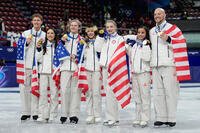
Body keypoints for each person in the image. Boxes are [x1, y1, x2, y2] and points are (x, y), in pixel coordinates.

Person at [150, 8, 190, 127]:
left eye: (159, 14)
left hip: (169, 65)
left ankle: (171, 118)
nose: (157, 16)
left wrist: (169, 39)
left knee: (170, 92)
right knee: (158, 93)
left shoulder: (173, 28)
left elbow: (183, 43)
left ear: (165, 15)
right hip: (156, 65)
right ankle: (161, 118)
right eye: (155, 14)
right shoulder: (152, 30)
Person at [95, 20, 125, 126]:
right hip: (104, 68)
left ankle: (113, 117)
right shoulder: (104, 39)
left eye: (111, 26)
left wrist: (115, 66)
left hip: (114, 69)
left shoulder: (119, 39)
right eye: (107, 27)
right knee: (108, 94)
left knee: (112, 93)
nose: (109, 29)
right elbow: (97, 48)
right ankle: (111, 117)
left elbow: (120, 54)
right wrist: (99, 36)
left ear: (116, 27)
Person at [20, 13, 46, 121]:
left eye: (38, 20)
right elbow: (20, 50)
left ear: (41, 22)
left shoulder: (44, 35)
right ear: (32, 22)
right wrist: (26, 43)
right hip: (26, 66)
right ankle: (26, 112)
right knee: (24, 90)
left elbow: (46, 51)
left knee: (36, 89)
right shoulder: (25, 33)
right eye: (34, 20)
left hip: (38, 67)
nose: (36, 22)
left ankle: (35, 112)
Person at [124, 26, 151, 127]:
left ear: (146, 34)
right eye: (138, 32)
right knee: (137, 98)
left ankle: (145, 118)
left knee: (145, 97)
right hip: (134, 74)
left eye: (142, 32)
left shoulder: (148, 44)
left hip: (144, 74)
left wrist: (145, 45)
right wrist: (128, 44)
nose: (140, 34)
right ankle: (138, 117)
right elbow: (125, 48)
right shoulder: (134, 46)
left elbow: (147, 58)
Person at [59, 19, 83, 124]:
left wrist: (76, 57)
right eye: (72, 25)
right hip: (64, 67)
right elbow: (58, 52)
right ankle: (64, 114)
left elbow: (83, 54)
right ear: (69, 27)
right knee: (64, 91)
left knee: (76, 92)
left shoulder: (82, 39)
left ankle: (74, 115)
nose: (73, 27)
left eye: (75, 25)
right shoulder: (64, 38)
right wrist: (62, 42)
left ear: (79, 27)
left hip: (76, 68)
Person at [36, 28, 59, 123]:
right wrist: (38, 49)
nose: (50, 34)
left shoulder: (58, 45)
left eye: (52, 33)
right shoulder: (43, 45)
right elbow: (38, 59)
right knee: (43, 95)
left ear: (54, 34)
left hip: (54, 73)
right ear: (46, 35)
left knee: (54, 95)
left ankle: (52, 115)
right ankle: (42, 115)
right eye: (48, 33)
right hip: (43, 73)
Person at [84, 25, 102, 124]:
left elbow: (100, 50)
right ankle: (90, 114)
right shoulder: (84, 43)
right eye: (88, 31)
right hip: (87, 69)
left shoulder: (99, 41)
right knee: (89, 93)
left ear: (94, 32)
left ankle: (97, 114)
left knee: (96, 93)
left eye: (92, 31)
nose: (90, 33)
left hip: (96, 70)